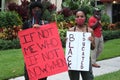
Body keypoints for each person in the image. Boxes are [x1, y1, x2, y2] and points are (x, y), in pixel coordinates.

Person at [22, 1, 48, 80]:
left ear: (41, 11)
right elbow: (23, 41)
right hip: (30, 58)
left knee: (43, 78)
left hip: (43, 58)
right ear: (31, 11)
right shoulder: (26, 24)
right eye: (34, 9)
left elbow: (49, 40)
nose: (37, 11)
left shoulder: (46, 24)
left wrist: (41, 29)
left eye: (39, 9)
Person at [68, 9, 95, 80]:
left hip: (85, 59)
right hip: (73, 60)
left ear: (85, 18)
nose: (79, 18)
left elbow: (93, 47)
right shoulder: (71, 30)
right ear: (75, 18)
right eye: (77, 16)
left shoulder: (90, 31)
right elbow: (68, 47)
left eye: (82, 16)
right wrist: (67, 41)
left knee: (88, 78)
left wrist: (92, 41)